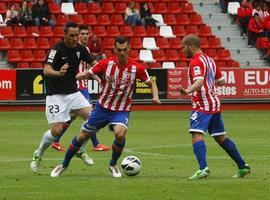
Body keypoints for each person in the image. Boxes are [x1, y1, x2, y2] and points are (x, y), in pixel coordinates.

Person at [50, 36, 161, 178]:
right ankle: (63, 164)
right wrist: (69, 78)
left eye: (124, 50)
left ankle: (113, 164)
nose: (122, 52)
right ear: (115, 49)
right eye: (119, 50)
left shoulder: (137, 68)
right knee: (82, 136)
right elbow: (87, 74)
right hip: (102, 108)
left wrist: (155, 96)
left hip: (121, 110)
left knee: (120, 134)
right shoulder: (106, 64)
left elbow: (151, 83)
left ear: (129, 49)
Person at [178, 34, 251, 180]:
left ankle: (203, 168)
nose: (182, 50)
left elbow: (199, 81)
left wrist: (187, 91)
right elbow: (222, 81)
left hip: (202, 104)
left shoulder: (196, 62)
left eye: (183, 47)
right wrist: (209, 83)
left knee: (196, 134)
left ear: (191, 46)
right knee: (220, 137)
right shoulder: (209, 60)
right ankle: (243, 166)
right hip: (214, 102)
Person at [30, 22, 99, 173]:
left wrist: (99, 72)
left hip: (73, 94)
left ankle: (80, 149)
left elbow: (95, 64)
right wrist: (58, 73)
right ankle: (38, 153)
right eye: (72, 35)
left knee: (95, 119)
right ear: (65, 35)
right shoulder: (57, 50)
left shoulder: (80, 49)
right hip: (56, 96)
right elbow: (46, 70)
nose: (75, 38)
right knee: (56, 131)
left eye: (77, 35)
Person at [51, 25, 110, 152]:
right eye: (82, 34)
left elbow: (92, 69)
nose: (84, 36)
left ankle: (55, 141)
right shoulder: (72, 49)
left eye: (86, 34)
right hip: (78, 87)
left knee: (70, 118)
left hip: (83, 85)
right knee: (92, 116)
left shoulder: (84, 49)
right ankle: (96, 144)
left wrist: (100, 80)